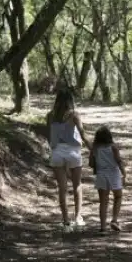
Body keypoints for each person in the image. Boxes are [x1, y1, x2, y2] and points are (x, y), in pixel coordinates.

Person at [47, 88, 90, 231]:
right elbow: (83, 135)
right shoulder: (74, 115)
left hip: (57, 153)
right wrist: (93, 151)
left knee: (62, 188)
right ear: (70, 101)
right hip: (73, 152)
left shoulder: (50, 116)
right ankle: (78, 218)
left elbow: (49, 136)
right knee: (77, 186)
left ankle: (66, 222)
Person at [90, 126, 126, 232]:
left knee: (103, 201)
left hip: (101, 174)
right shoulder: (113, 147)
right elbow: (119, 161)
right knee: (118, 196)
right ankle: (114, 220)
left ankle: (102, 227)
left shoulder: (95, 148)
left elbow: (91, 164)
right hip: (114, 174)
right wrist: (124, 173)